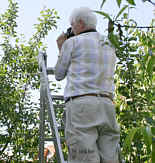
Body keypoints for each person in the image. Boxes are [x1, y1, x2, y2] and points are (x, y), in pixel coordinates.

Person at [55, 7, 120, 163]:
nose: (71, 30)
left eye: (72, 26)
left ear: (80, 24)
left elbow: (59, 74)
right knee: (110, 157)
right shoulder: (109, 43)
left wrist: (61, 48)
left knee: (84, 157)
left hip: (82, 106)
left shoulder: (72, 42)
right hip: (106, 104)